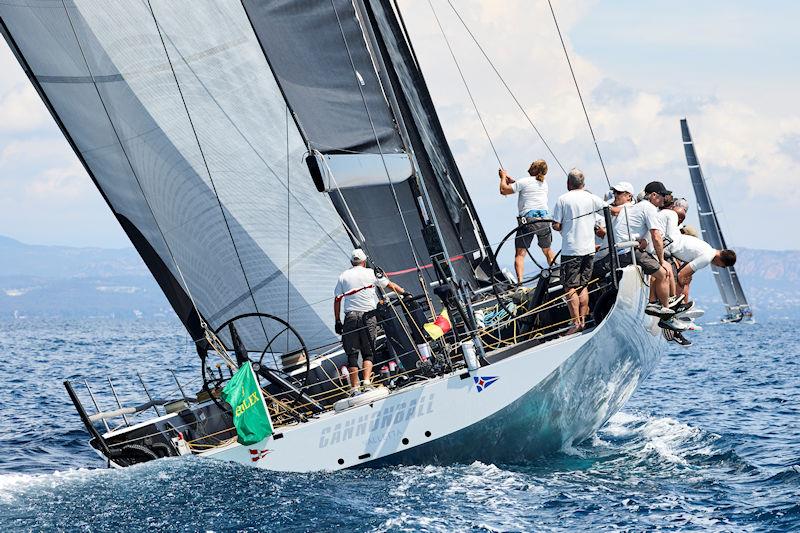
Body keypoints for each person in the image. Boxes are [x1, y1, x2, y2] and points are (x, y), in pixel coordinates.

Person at [334, 249, 405, 394]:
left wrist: (337, 321)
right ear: (364, 262)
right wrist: (404, 292)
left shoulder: (343, 276)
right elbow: (389, 285)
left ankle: (354, 389)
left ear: (351, 262)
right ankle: (366, 383)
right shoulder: (370, 272)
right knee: (368, 353)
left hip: (351, 318)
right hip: (369, 317)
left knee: (352, 355)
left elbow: (337, 300)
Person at [614, 181, 682, 328]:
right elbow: (656, 236)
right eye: (662, 195)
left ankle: (654, 303)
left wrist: (642, 241)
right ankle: (666, 314)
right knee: (662, 273)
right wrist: (662, 260)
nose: (664, 199)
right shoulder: (649, 208)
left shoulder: (636, 207)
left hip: (623, 250)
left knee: (658, 272)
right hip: (628, 251)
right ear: (653, 195)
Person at [551, 168, 606, 334]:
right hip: (589, 250)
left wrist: (560, 226)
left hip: (572, 249)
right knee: (583, 286)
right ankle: (583, 320)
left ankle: (575, 323)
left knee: (569, 287)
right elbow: (608, 211)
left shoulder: (563, 199)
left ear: (568, 184)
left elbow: (556, 224)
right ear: (583, 183)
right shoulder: (591, 198)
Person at [499, 159, 556, 284]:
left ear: (534, 169)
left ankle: (520, 284)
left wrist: (503, 177)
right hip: (544, 220)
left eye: (531, 165)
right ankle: (557, 276)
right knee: (547, 250)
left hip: (528, 221)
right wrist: (513, 181)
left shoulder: (524, 181)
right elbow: (525, 186)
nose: (529, 167)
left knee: (520, 254)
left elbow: (503, 190)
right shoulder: (543, 183)